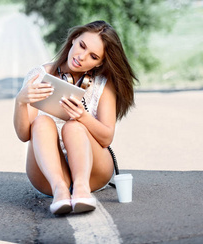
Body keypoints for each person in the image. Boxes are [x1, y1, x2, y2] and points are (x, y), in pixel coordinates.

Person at [13, 20, 137, 215]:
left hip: (93, 171)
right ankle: (60, 191)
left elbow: (106, 138)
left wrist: (83, 117)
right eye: (82, 46)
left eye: (93, 56)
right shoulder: (40, 75)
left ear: (100, 63)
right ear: (73, 39)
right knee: (41, 122)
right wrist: (20, 102)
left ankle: (81, 190)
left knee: (73, 127)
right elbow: (23, 135)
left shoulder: (103, 85)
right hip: (46, 175)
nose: (81, 57)